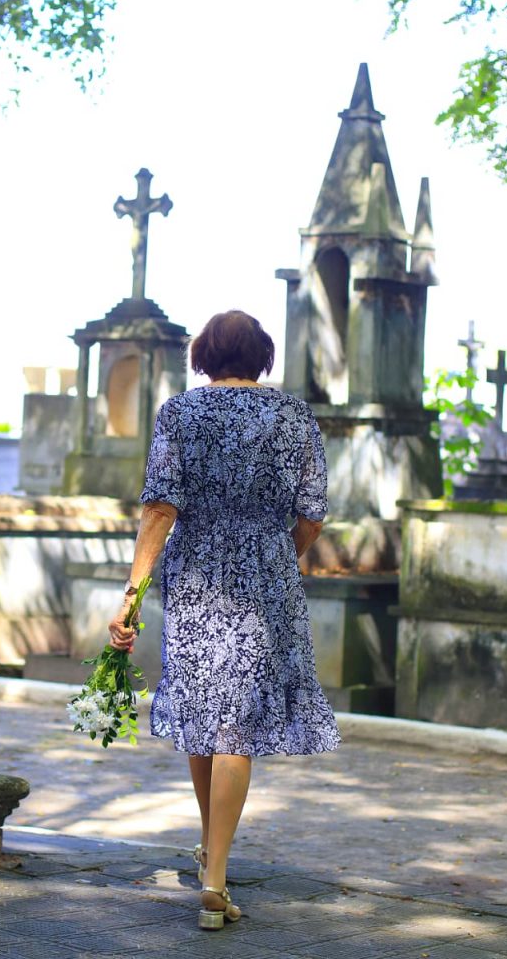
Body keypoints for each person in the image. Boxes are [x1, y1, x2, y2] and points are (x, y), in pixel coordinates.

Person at [108, 309, 341, 932]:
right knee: (236, 723)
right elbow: (313, 513)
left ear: (203, 355)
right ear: (262, 355)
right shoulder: (293, 415)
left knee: (202, 710)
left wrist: (131, 596)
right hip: (265, 575)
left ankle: (213, 859)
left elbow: (159, 511)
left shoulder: (179, 413)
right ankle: (214, 872)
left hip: (196, 574)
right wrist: (278, 554)